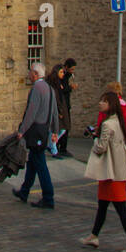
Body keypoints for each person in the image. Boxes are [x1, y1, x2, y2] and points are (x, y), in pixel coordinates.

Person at [81, 89, 126, 252]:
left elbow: (101, 147)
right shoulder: (117, 122)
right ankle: (94, 236)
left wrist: (95, 140)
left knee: (121, 210)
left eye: (103, 101)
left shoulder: (108, 124)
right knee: (102, 205)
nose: (100, 103)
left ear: (110, 105)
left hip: (112, 171)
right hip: (114, 170)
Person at [14, 62, 57, 208]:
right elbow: (54, 112)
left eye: (30, 72)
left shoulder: (37, 88)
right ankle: (24, 192)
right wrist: (55, 130)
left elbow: (31, 111)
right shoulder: (50, 89)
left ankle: (48, 197)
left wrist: (22, 130)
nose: (29, 75)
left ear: (35, 74)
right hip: (44, 129)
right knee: (32, 163)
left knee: (40, 164)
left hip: (36, 130)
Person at [46, 63, 69, 158]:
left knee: (61, 129)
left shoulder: (59, 83)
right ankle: (53, 148)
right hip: (56, 109)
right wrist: (60, 111)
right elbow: (56, 99)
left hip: (60, 108)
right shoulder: (54, 85)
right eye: (61, 72)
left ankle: (51, 145)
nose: (63, 74)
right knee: (57, 129)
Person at [60, 58, 77, 156]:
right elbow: (62, 89)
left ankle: (62, 147)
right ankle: (61, 148)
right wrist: (70, 87)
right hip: (63, 104)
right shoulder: (63, 76)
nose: (72, 71)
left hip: (66, 104)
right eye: (71, 69)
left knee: (66, 126)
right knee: (65, 126)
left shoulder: (66, 76)